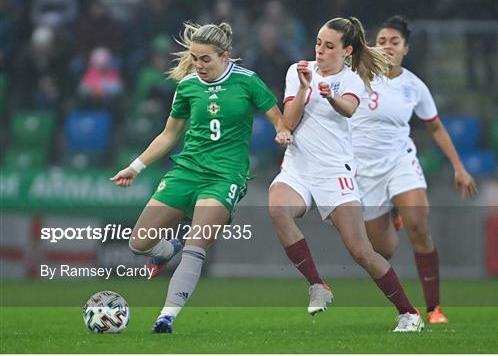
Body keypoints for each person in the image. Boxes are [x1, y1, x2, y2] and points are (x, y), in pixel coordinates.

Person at [111, 22, 292, 333]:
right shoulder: (187, 87)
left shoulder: (248, 82)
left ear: (224, 56)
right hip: (186, 171)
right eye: (194, 58)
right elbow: (168, 136)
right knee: (138, 243)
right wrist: (135, 166)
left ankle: (166, 317)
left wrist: (283, 131)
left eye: (205, 59)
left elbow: (276, 117)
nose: (199, 65)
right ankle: (167, 249)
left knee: (197, 246)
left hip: (224, 176)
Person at [268, 17, 423, 332]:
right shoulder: (298, 70)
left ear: (347, 51)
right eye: (318, 43)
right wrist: (305, 89)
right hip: (298, 167)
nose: (320, 51)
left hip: (334, 172)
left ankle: (409, 313)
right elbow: (289, 121)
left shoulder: (353, 80)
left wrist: (327, 96)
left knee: (361, 251)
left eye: (329, 46)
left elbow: (348, 109)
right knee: (277, 209)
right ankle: (317, 284)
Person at [350, 16, 477, 324]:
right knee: (384, 251)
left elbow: (435, 127)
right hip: (364, 173)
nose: (387, 46)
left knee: (419, 227)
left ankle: (434, 308)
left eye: (394, 42)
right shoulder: (354, 76)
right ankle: (393, 215)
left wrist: (459, 168)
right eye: (381, 41)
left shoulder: (414, 86)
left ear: (405, 49)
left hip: (400, 162)